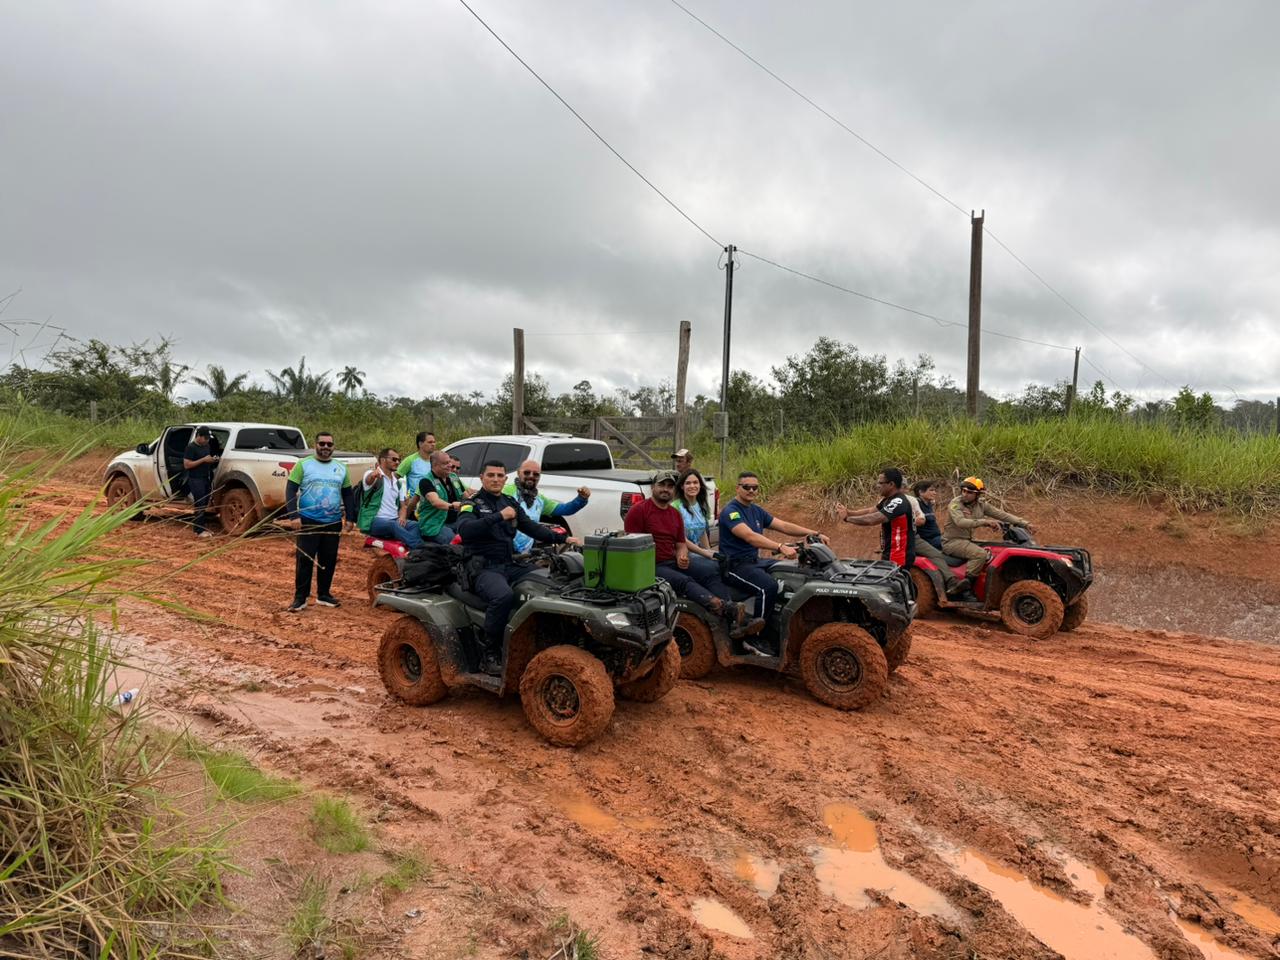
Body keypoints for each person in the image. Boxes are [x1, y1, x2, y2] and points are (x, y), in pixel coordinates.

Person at [457, 460, 579, 674]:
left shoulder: (510, 502)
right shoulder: (472, 503)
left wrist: (565, 539)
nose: (496, 479)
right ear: (481, 478)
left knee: (549, 582)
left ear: (506, 479)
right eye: (491, 475)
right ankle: (490, 654)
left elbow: (532, 528)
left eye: (500, 475)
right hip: (483, 568)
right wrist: (498, 516)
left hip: (510, 563)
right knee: (502, 596)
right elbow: (466, 531)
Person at [625, 470, 759, 638]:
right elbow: (631, 546)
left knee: (708, 570)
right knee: (684, 581)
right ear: (653, 487)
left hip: (670, 560)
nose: (665, 489)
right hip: (648, 566)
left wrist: (682, 555)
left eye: (669, 486)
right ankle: (721, 607)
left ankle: (732, 613)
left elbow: (681, 544)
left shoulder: (674, 514)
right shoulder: (639, 511)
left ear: (674, 489)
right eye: (661, 485)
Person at [718, 471, 828, 651]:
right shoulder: (731, 512)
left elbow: (784, 525)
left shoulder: (756, 510)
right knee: (767, 587)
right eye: (747, 487)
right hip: (735, 565)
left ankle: (780, 626)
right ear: (738, 488)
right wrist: (779, 546)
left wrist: (813, 533)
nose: (751, 490)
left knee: (790, 571)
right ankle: (753, 637)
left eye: (755, 487)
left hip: (754, 561)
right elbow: (749, 536)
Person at [284, 432, 357, 612]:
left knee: (329, 559)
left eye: (329, 444)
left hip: (332, 522)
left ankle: (324, 594)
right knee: (305, 560)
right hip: (308, 521)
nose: (325, 447)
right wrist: (293, 516)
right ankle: (300, 598)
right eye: (322, 444)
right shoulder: (303, 465)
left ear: (333, 447)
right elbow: (290, 489)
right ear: (315, 444)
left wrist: (351, 518)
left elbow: (348, 493)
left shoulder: (341, 468)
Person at [942, 477, 1035, 588]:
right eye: (964, 491)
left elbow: (1002, 515)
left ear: (977, 495)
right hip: (952, 542)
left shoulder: (981, 505)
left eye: (970, 492)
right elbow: (960, 522)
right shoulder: (956, 504)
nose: (965, 494)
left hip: (966, 540)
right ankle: (966, 587)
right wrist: (985, 522)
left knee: (994, 549)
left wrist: (1025, 524)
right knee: (980, 554)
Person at [503, 460, 590, 555]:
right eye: (527, 472)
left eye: (536, 474)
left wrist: (581, 499)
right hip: (505, 550)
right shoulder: (506, 491)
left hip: (526, 553)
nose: (531, 476)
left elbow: (565, 509)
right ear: (518, 473)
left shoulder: (539, 500)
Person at [836, 468, 917, 569]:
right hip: (891, 554)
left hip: (898, 557)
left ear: (891, 484)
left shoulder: (898, 501)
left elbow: (873, 519)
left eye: (880, 483)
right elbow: (871, 511)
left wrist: (847, 519)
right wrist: (848, 512)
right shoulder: (889, 499)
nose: (877, 486)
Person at [908, 479, 974, 600]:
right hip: (929, 540)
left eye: (935, 490)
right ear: (920, 492)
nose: (935, 493)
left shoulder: (929, 504)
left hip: (938, 537)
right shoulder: (916, 504)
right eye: (931, 490)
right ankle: (958, 586)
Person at [358, 448, 424, 548]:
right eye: (394, 459)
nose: (397, 462)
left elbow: (403, 506)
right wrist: (373, 475)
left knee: (415, 525)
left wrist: (402, 516)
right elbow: (368, 480)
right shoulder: (372, 475)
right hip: (374, 520)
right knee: (393, 525)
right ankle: (420, 548)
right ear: (383, 460)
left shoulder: (398, 483)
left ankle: (411, 549)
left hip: (394, 519)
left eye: (399, 460)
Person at [400, 450, 466, 545]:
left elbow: (465, 495)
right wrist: (452, 506)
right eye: (445, 463)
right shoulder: (425, 481)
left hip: (456, 521)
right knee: (456, 543)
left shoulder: (453, 477)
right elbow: (435, 502)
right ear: (435, 465)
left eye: (449, 462)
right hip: (435, 526)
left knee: (473, 536)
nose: (450, 465)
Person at [182, 426, 219, 538]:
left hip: (205, 478)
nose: (207, 440)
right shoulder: (191, 447)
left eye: (208, 438)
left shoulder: (207, 446)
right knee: (200, 503)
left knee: (205, 503)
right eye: (205, 438)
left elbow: (207, 459)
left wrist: (213, 460)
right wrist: (203, 460)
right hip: (195, 479)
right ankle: (198, 530)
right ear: (198, 436)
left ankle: (201, 527)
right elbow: (187, 464)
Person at [675, 469, 715, 560]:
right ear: (682, 486)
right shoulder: (676, 507)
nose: (692, 486)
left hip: (698, 552)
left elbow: (702, 532)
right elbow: (680, 539)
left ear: (700, 485)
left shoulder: (703, 505)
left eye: (695, 482)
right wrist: (705, 553)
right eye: (688, 483)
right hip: (682, 554)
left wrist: (709, 551)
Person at [396, 431, 437, 516]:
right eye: (429, 442)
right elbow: (393, 478)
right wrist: (401, 498)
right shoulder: (410, 460)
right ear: (420, 444)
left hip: (433, 505)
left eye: (434, 442)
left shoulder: (436, 461)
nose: (433, 444)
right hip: (415, 506)